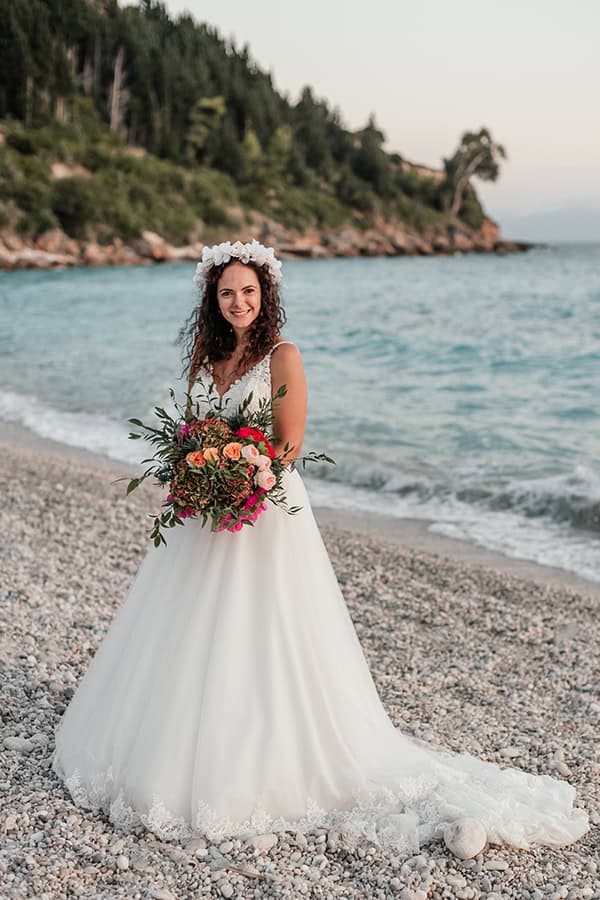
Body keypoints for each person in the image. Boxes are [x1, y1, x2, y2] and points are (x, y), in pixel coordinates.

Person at [52, 239, 589, 855]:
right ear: (213, 298)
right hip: (206, 513)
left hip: (264, 507)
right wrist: (197, 473)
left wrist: (242, 475)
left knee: (267, 628)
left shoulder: (283, 356)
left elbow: (289, 444)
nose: (238, 302)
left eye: (248, 292)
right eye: (227, 293)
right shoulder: (205, 360)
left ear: (265, 295)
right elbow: (193, 430)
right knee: (186, 625)